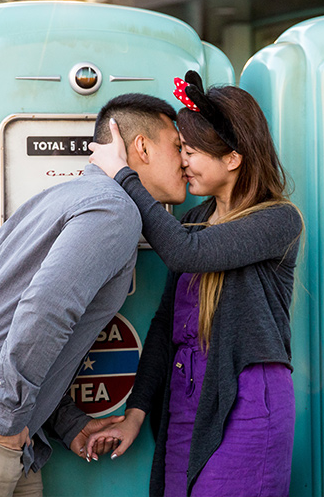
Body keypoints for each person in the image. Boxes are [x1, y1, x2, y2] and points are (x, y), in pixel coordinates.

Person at [0, 93, 188, 497]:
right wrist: (5, 421)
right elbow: (44, 311)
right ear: (142, 147)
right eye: (177, 147)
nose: (186, 161)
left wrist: (65, 421)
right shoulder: (115, 210)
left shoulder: (58, 199)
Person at [85, 72, 303, 497]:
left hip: (247, 399)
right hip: (188, 399)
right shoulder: (193, 220)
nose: (182, 161)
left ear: (234, 158)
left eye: (191, 151)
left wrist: (123, 175)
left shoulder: (278, 220)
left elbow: (188, 253)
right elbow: (166, 325)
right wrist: (136, 412)